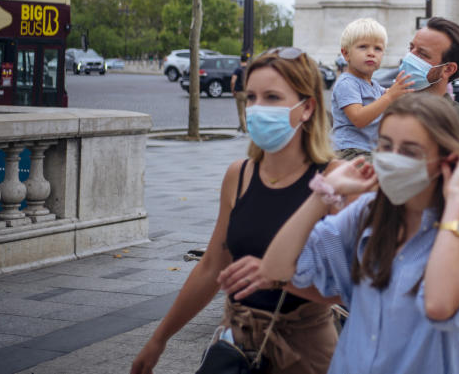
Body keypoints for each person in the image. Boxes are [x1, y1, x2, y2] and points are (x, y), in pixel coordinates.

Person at [220, 93, 459, 374]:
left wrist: (455, 200)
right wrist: (322, 194)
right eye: (385, 145)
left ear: (449, 162)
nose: (392, 158)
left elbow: (439, 306)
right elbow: (276, 268)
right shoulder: (368, 213)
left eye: (409, 151)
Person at [131, 48, 338, 374]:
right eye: (251, 96)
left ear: (307, 108)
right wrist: (159, 339)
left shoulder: (335, 180)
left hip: (306, 353)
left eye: (272, 97)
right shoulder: (238, 176)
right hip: (237, 344)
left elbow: (356, 287)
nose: (257, 109)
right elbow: (212, 266)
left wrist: (282, 279)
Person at [397, 17, 459, 161]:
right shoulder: (384, 103)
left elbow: (458, 178)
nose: (410, 57)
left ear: (448, 69)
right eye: (411, 49)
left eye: (422, 54)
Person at [331, 18, 414, 160]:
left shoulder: (374, 85)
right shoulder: (346, 83)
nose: (371, 53)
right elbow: (358, 119)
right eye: (363, 47)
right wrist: (389, 97)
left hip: (369, 151)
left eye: (378, 48)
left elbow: (388, 101)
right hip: (350, 151)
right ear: (346, 54)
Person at [231, 52, 250, 133]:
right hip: (248, 92)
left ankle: (244, 130)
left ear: (240, 60)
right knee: (247, 112)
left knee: (241, 113)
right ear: (247, 60)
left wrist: (233, 90)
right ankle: (246, 126)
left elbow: (232, 81)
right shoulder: (249, 70)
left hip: (239, 92)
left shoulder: (238, 70)